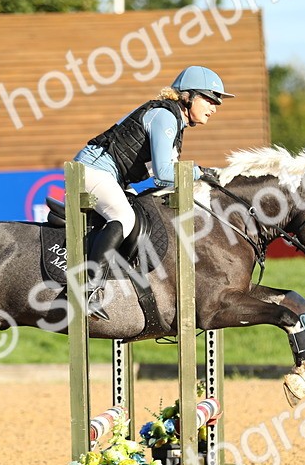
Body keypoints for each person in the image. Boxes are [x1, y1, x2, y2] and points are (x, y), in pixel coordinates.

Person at [71, 65, 234, 319]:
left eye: (217, 102)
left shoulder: (174, 121)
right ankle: (89, 289)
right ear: (187, 96)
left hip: (111, 176)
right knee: (124, 218)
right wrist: (199, 172)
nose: (214, 107)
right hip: (91, 170)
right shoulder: (164, 116)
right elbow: (165, 173)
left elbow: (160, 181)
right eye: (210, 99)